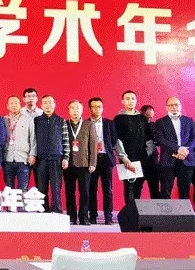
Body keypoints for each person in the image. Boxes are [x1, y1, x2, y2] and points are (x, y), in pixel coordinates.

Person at [152, 96, 195, 200]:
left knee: (185, 193)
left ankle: (184, 212)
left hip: (186, 159)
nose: (174, 107)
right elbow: (160, 139)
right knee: (165, 193)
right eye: (171, 105)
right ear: (166, 107)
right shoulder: (160, 122)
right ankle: (166, 212)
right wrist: (178, 149)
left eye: (176, 105)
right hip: (168, 161)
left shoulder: (188, 120)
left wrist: (185, 150)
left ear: (180, 106)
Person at [87, 97, 124, 225]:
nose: (97, 109)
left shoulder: (109, 123)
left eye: (99, 107)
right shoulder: (85, 123)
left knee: (108, 190)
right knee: (92, 190)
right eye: (94, 107)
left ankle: (108, 217)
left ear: (102, 108)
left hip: (106, 159)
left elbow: (114, 140)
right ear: (90, 109)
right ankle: (92, 216)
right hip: (91, 160)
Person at [64, 100, 97, 226]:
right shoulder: (64, 124)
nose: (75, 111)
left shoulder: (89, 124)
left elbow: (93, 144)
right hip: (68, 164)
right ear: (68, 110)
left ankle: (83, 217)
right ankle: (71, 216)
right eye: (72, 108)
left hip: (84, 163)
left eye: (78, 108)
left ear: (82, 110)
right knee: (69, 192)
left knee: (85, 192)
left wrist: (92, 162)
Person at [33, 95, 68, 213]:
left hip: (56, 159)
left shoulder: (61, 120)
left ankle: (56, 210)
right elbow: (33, 139)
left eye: (50, 102)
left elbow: (65, 140)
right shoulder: (37, 121)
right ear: (41, 105)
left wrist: (66, 157)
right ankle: (43, 210)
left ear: (54, 104)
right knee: (41, 187)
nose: (48, 105)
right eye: (45, 103)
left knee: (56, 187)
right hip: (41, 159)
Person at [114, 91, 150, 200]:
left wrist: (147, 154)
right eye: (127, 99)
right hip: (127, 157)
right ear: (123, 101)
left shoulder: (142, 118)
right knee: (129, 186)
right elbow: (117, 139)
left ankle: (137, 209)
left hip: (142, 157)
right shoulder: (118, 119)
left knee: (138, 186)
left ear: (136, 100)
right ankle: (130, 210)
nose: (130, 101)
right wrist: (124, 158)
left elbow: (148, 138)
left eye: (133, 98)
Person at [4, 95, 36, 192]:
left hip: (23, 159)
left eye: (16, 103)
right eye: (11, 103)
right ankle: (10, 203)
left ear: (20, 105)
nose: (14, 105)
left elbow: (33, 138)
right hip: (8, 158)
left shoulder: (28, 119)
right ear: (7, 106)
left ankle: (22, 203)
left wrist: (32, 155)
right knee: (8, 189)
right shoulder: (3, 120)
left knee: (23, 189)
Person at [139, 104, 161, 200]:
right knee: (136, 189)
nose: (149, 119)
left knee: (155, 189)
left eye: (151, 117)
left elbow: (159, 141)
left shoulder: (154, 125)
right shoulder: (137, 126)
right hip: (139, 162)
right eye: (147, 116)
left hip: (153, 162)